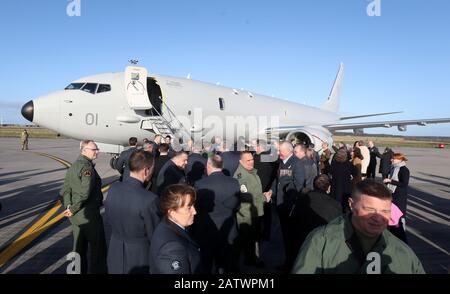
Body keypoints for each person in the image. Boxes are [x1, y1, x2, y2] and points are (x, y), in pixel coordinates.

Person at [292, 179, 425, 274]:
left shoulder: (403, 253)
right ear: (351, 204)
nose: (378, 218)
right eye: (369, 209)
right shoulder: (321, 242)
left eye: (385, 211)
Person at [105, 150, 161, 274]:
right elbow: (155, 234)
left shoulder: (114, 189)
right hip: (139, 255)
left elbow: (108, 218)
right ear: (146, 171)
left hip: (115, 249)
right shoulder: (149, 199)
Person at [60, 140, 107, 274]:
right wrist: (73, 208)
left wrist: (69, 207)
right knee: (98, 249)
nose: (97, 151)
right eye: (94, 149)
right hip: (89, 214)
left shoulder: (74, 166)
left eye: (97, 149)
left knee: (79, 248)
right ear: (84, 150)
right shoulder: (87, 168)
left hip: (75, 216)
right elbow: (84, 194)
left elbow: (65, 190)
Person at [192, 155, 240, 273]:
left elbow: (196, 208)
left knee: (206, 264)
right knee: (224, 264)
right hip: (228, 231)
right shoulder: (234, 182)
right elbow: (237, 206)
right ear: (222, 166)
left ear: (208, 165)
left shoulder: (200, 183)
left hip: (206, 230)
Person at [267, 141, 305, 271]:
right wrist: (272, 190)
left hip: (289, 206)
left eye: (280, 151)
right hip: (279, 203)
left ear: (289, 150)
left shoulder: (297, 163)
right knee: (285, 235)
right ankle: (288, 260)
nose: (278, 153)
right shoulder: (281, 162)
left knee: (291, 236)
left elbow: (299, 185)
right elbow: (277, 180)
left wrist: (286, 193)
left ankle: (292, 264)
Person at [150, 184, 202, 274]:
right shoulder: (172, 249)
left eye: (193, 206)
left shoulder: (167, 225)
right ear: (171, 212)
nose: (195, 212)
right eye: (189, 207)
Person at [234, 151, 269, 267]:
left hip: (254, 212)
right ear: (240, 162)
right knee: (250, 239)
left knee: (253, 238)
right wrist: (264, 197)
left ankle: (252, 259)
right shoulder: (242, 176)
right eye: (247, 160)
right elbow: (246, 197)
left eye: (252, 159)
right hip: (247, 214)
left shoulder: (251, 172)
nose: (251, 162)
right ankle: (252, 261)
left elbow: (254, 192)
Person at [292, 174, 342, 254]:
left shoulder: (302, 200)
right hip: (323, 246)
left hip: (301, 243)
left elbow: (293, 220)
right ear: (329, 188)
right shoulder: (335, 205)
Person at [383, 153, 410, 243]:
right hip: (393, 194)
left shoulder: (404, 170)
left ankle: (402, 233)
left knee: (400, 215)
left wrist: (390, 181)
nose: (391, 160)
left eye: (393, 159)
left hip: (400, 196)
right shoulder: (394, 168)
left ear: (399, 159)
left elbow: (404, 184)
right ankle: (394, 231)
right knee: (394, 214)